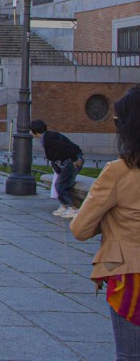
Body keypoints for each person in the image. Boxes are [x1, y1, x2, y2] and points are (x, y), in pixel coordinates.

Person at [71, 85, 140, 359]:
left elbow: (80, 228)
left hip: (130, 273)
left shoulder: (118, 172)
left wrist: (108, 217)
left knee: (130, 353)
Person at [30, 119, 84, 218]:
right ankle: (64, 205)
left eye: (30, 130)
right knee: (60, 183)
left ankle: (73, 208)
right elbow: (55, 157)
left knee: (61, 184)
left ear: (35, 131)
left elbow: (65, 148)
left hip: (72, 160)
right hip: (69, 161)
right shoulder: (47, 137)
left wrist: (76, 159)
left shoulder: (49, 138)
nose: (30, 133)